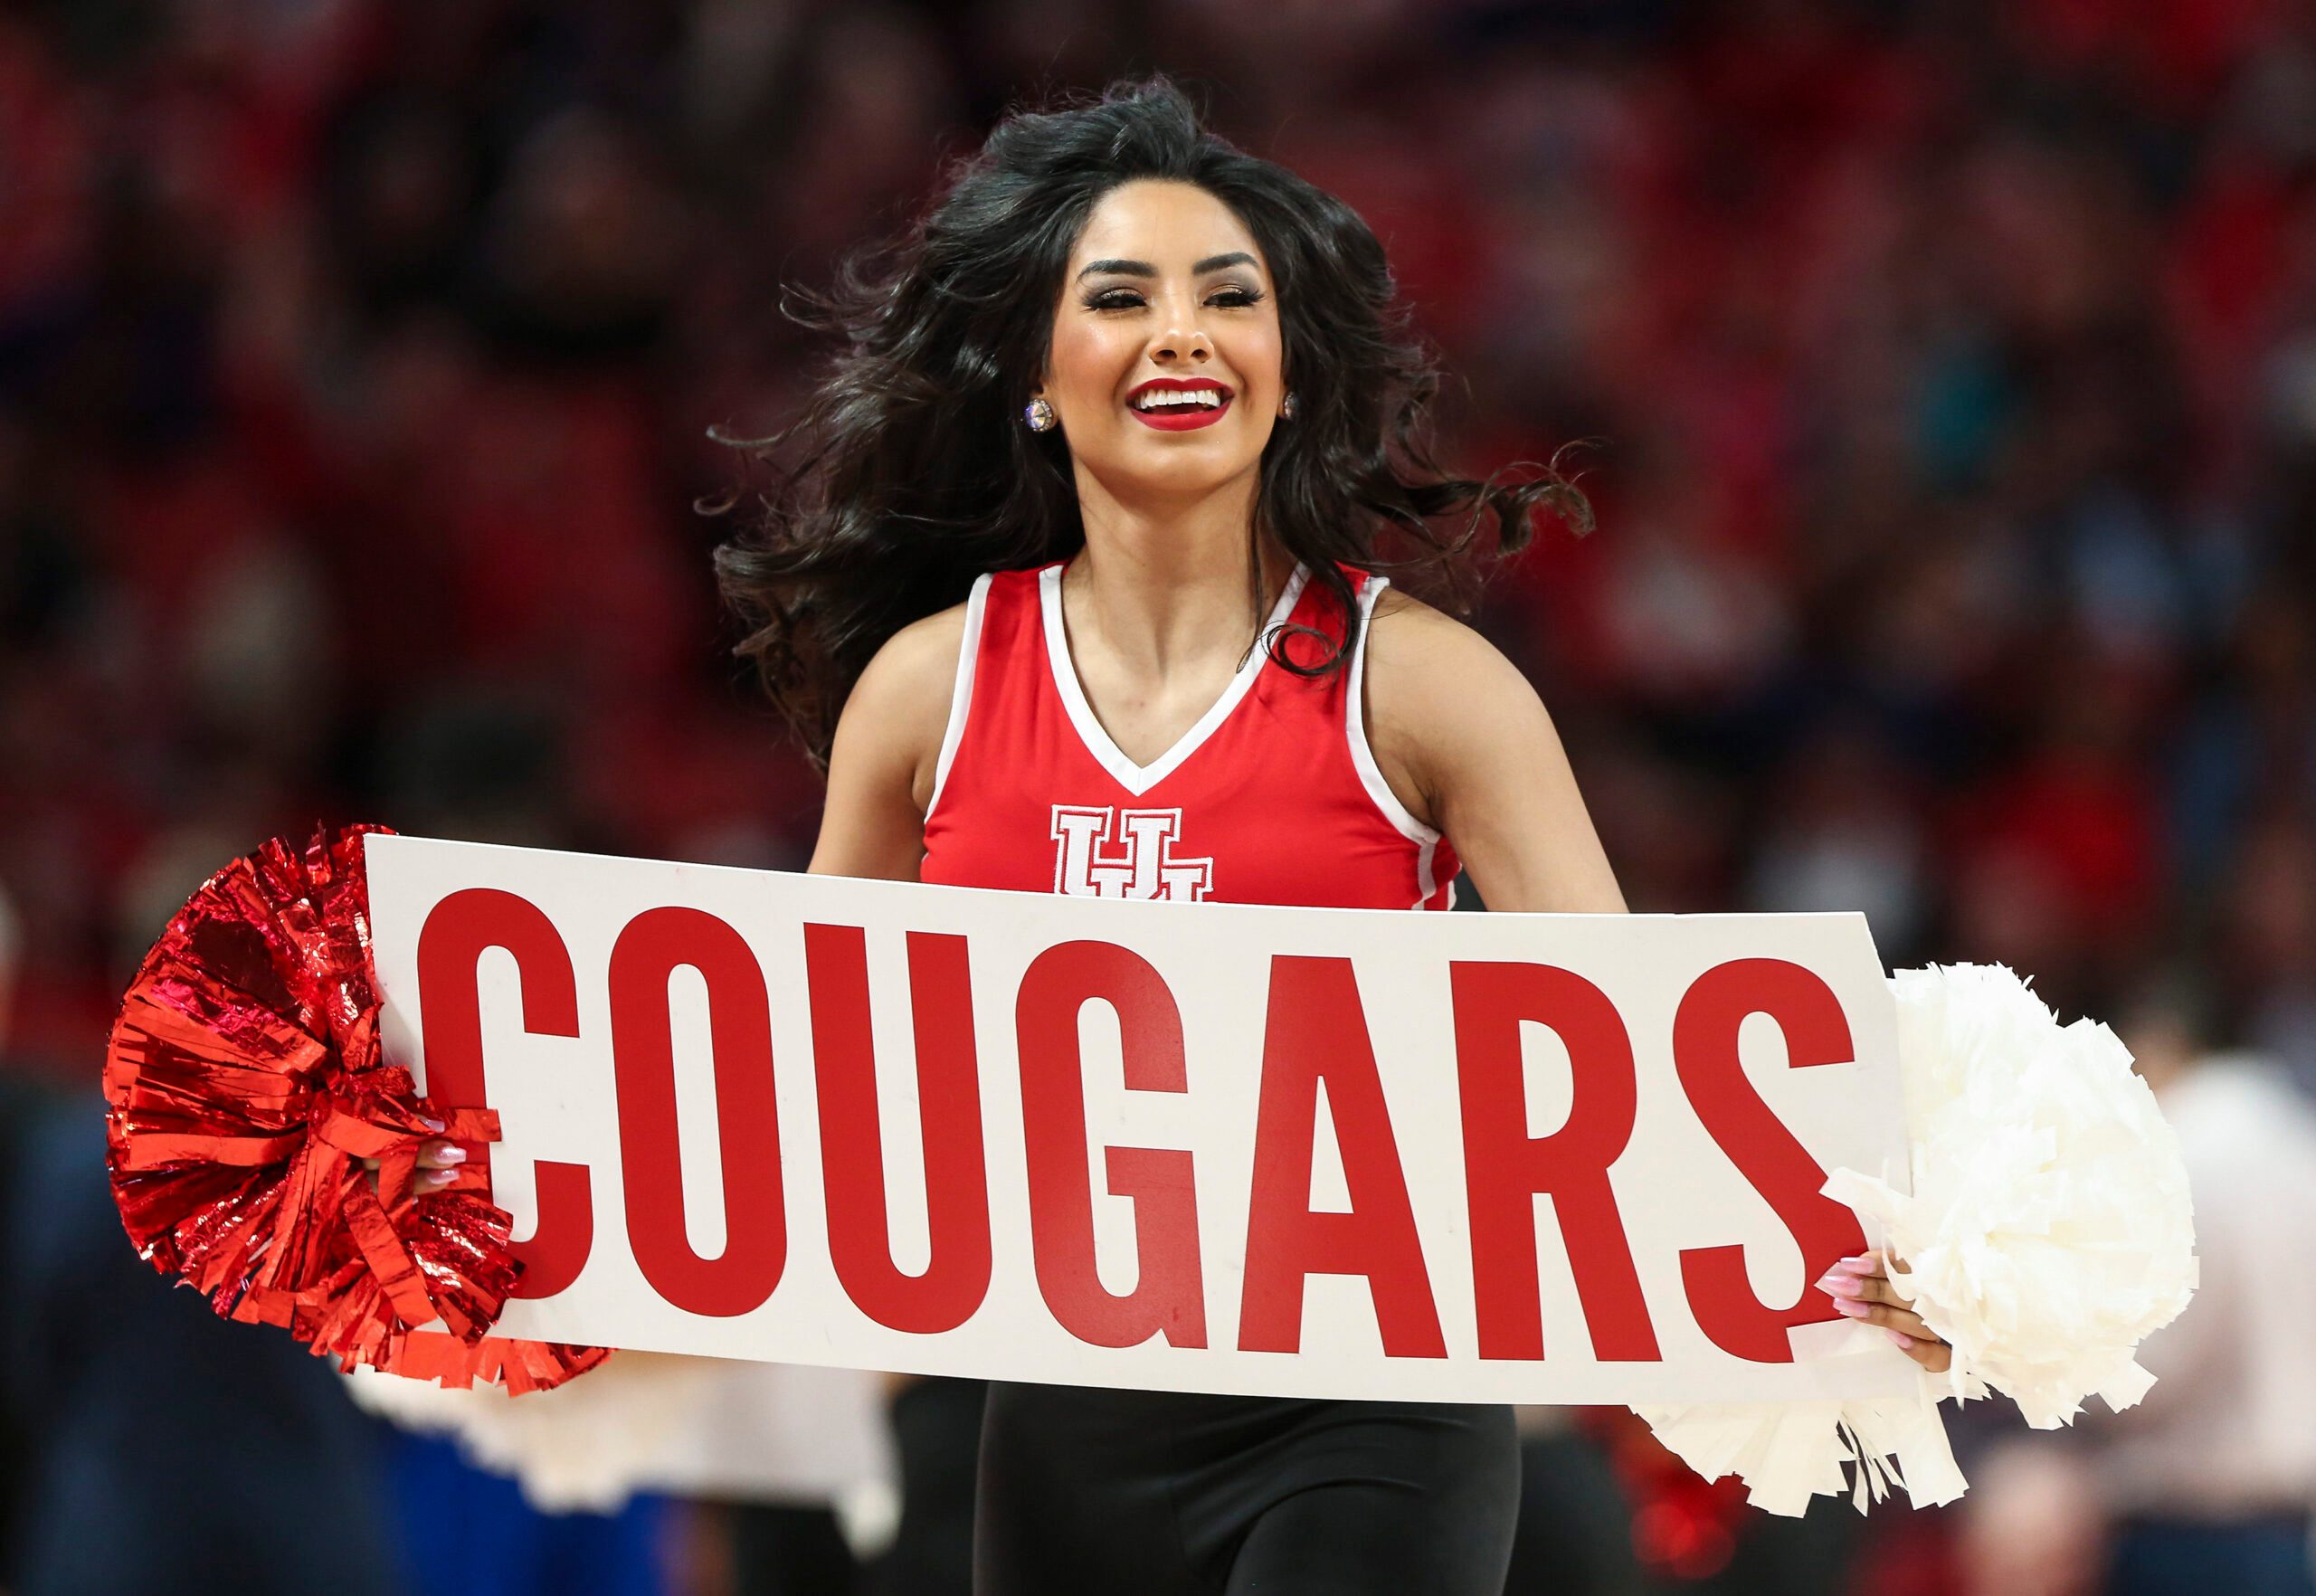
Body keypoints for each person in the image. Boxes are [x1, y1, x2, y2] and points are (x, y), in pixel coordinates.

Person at [706, 75, 1950, 1594]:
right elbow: (809, 1081)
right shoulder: (928, 694)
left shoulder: (1423, 684)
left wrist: (1856, 1252)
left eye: (1230, 296)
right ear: (1035, 368)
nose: (1181, 332)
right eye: (1121, 295)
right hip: (1049, 1421)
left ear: (1289, 369)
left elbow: (1638, 1054)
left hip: (1374, 1410)